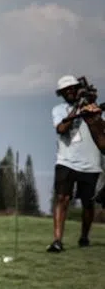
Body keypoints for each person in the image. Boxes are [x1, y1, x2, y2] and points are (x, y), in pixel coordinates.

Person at [48, 74, 105, 252]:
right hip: (66, 161)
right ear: (62, 94)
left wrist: (92, 111)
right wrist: (77, 109)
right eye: (66, 91)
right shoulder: (59, 109)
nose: (70, 92)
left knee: (88, 203)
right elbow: (61, 129)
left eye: (73, 89)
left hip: (92, 163)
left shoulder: (94, 109)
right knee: (61, 198)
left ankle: (84, 237)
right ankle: (57, 240)